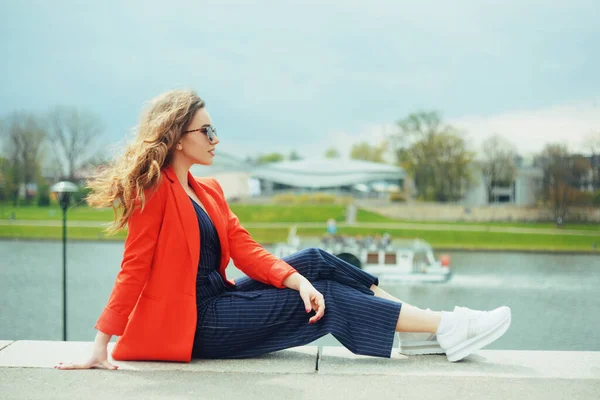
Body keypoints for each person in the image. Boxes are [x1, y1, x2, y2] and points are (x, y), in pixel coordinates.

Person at [55, 89, 511, 370]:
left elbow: (245, 248)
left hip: (220, 298)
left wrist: (295, 279)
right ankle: (444, 327)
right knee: (325, 301)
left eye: (215, 130)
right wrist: (101, 344)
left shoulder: (208, 191)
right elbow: (131, 271)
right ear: (177, 137)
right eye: (207, 130)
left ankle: (419, 326)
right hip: (194, 323)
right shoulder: (156, 193)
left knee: (313, 263)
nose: (216, 139)